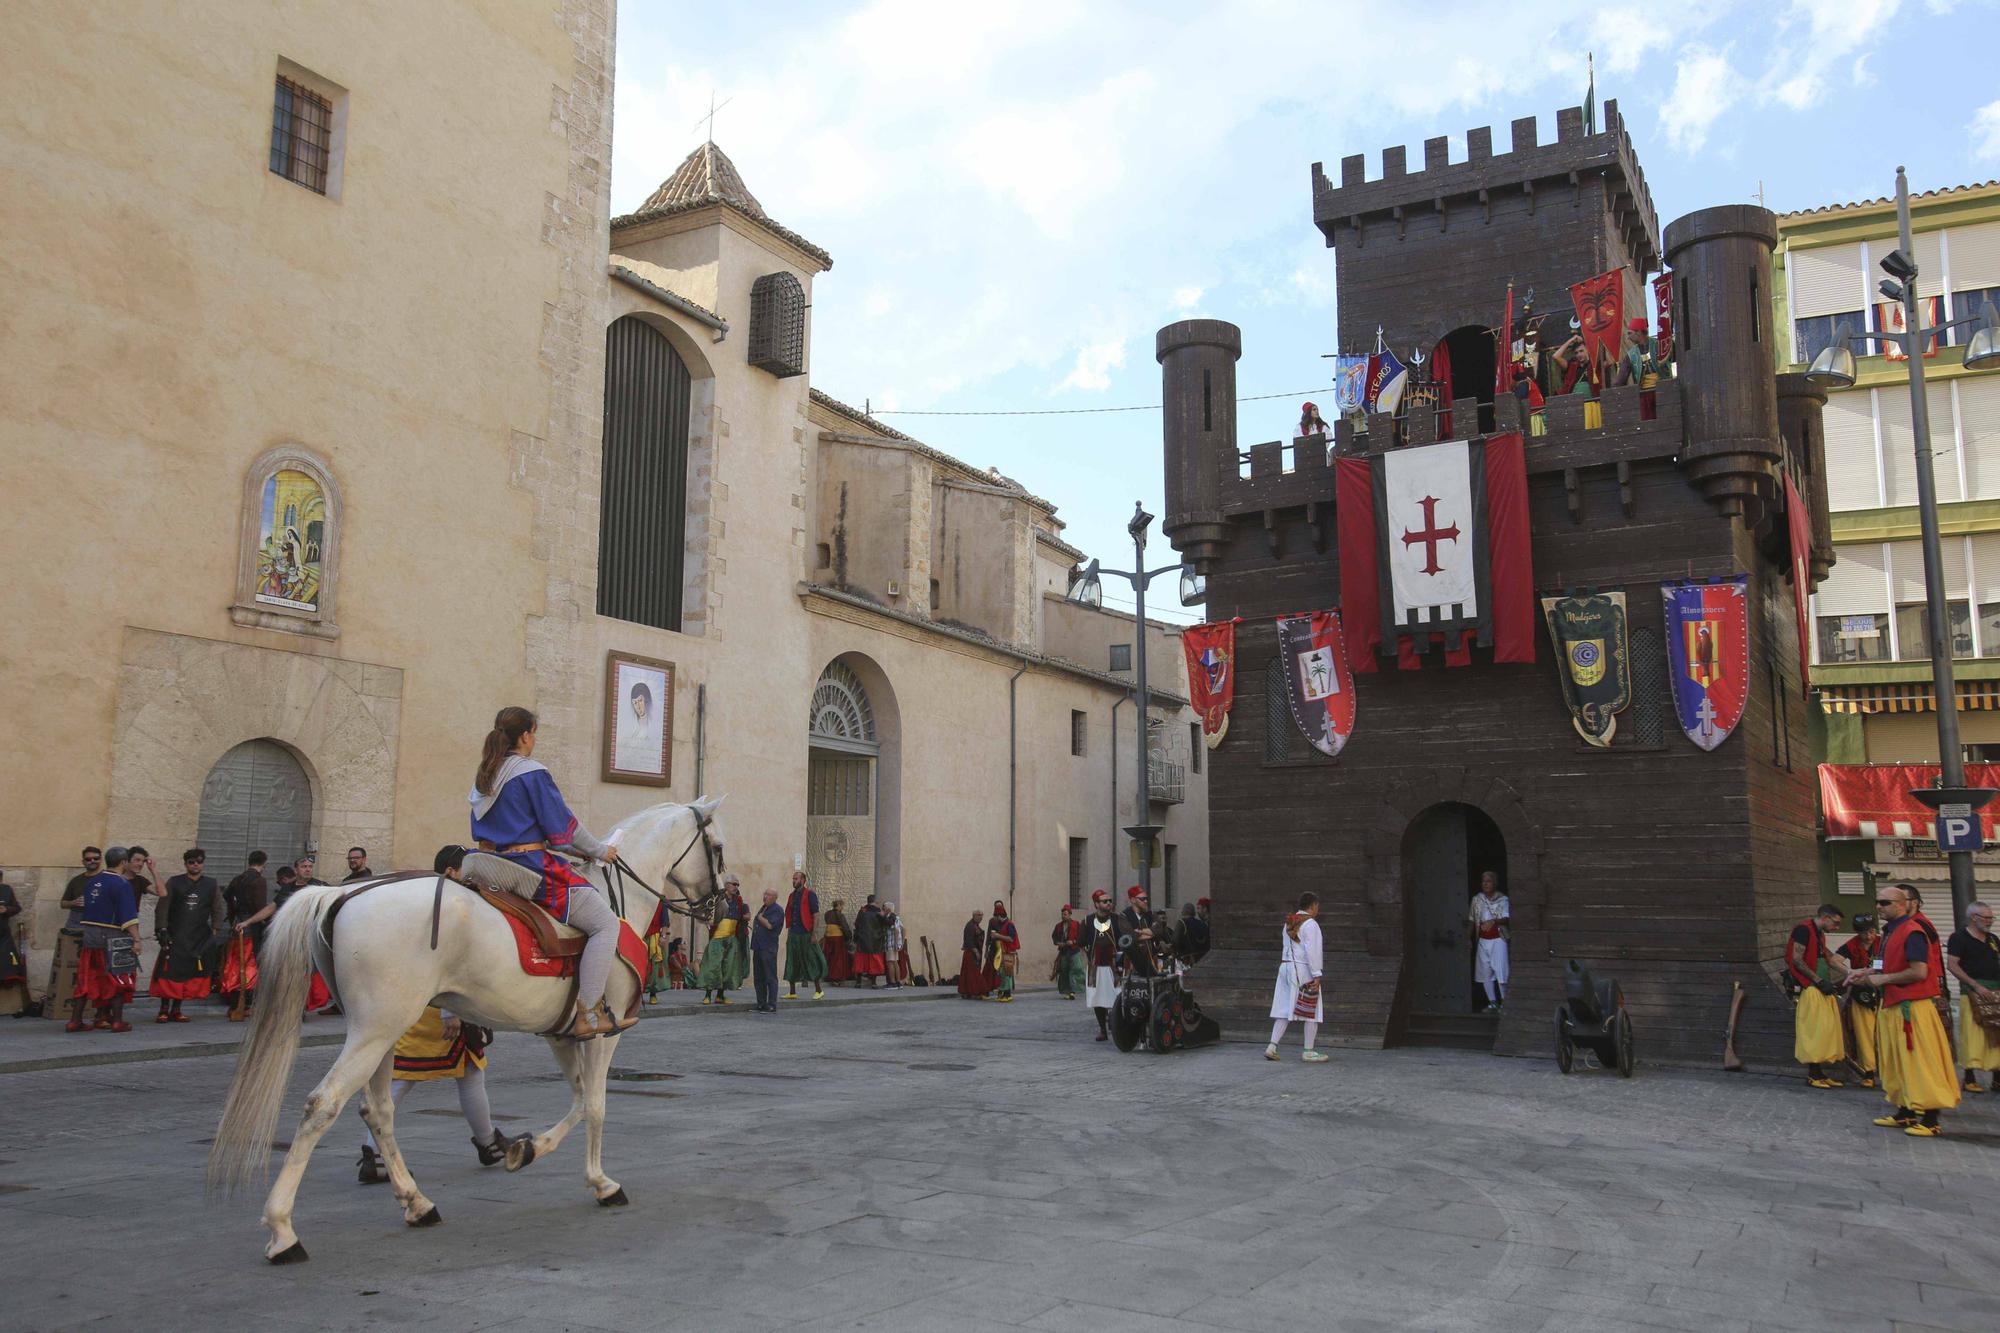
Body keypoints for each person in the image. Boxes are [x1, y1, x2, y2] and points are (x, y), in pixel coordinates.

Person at [468, 705, 628, 1040]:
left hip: (488, 864)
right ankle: (589, 1012)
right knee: (605, 923)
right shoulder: (531, 772)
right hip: (527, 869)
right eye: (534, 733)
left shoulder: (486, 774)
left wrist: (577, 849)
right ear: (526, 736)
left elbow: (537, 834)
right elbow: (565, 828)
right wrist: (600, 850)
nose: (534, 740)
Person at [358, 843, 511, 1182]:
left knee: (467, 1071)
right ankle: (375, 1152)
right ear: (451, 872)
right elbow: (443, 958)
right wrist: (449, 1013)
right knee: (403, 1079)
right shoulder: (447, 904)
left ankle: (488, 1143)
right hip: (438, 1006)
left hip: (433, 1003)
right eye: (467, 869)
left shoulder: (437, 900)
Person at [1847, 883, 1959, 1136]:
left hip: (1912, 1008)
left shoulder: (1914, 931)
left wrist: (1883, 979)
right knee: (1896, 1062)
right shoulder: (1889, 931)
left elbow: (1919, 971)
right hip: (1893, 1006)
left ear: (1903, 905)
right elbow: (1883, 962)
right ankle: (1905, 1112)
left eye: (1885, 902)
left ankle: (1931, 1119)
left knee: (1920, 1062)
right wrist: (1865, 972)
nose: (1879, 906)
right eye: (1878, 901)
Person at [72, 846, 142, 1032]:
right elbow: (128, 917)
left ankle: (75, 1020)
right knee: (118, 978)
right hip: (113, 937)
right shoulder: (121, 884)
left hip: (90, 936)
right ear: (123, 862)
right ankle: (117, 1021)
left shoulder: (93, 882)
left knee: (87, 978)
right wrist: (137, 940)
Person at [152, 848, 225, 1023]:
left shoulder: (211, 884)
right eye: (191, 862)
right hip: (175, 933)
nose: (195, 865)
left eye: (199, 862)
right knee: (169, 972)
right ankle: (163, 1009)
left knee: (187, 973)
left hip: (198, 936)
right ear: (185, 864)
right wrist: (161, 929)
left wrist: (215, 930)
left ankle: (177, 1009)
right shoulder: (174, 882)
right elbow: (163, 906)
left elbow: (217, 908)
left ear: (203, 864)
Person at [1786, 904, 1850, 1088]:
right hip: (1811, 987)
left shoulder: (1819, 933)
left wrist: (1850, 973)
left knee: (1825, 1031)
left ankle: (1819, 1073)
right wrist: (1817, 980)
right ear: (1826, 917)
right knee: (1815, 1032)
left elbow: (1828, 958)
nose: (1837, 928)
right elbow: (1796, 959)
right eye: (1836, 923)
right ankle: (1813, 1075)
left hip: (1820, 986)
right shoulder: (1803, 930)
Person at [1944, 900, 2000, 1094]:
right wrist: (1975, 985)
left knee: (1995, 1033)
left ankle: (1997, 1078)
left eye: (1991, 918)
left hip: (1995, 991)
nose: (1989, 921)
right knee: (1972, 1034)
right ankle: (1969, 1077)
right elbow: (1952, 965)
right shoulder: (1959, 938)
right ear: (1974, 918)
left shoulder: (1993, 939)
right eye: (1986, 918)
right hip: (1973, 991)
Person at [1268, 891, 1327, 1063]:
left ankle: (1272, 1046)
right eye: (1317, 906)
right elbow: (1313, 951)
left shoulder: (1289, 922)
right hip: (1301, 969)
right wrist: (1317, 974)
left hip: (1285, 967)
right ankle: (1308, 1050)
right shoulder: (1310, 924)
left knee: (1283, 1008)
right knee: (1311, 1008)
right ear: (1313, 905)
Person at [49, 847, 101, 1014]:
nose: (92, 861)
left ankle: (94, 1006)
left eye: (95, 858)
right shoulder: (76, 881)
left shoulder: (106, 879)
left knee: (95, 966)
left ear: (101, 859)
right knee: (74, 965)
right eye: (88, 859)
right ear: (83, 862)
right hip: (76, 923)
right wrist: (74, 903)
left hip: (98, 924)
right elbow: (63, 903)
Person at [222, 851, 271, 1021]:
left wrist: (233, 915)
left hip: (237, 926)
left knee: (235, 966)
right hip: (251, 928)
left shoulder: (238, 879)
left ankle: (235, 1004)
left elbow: (227, 895)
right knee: (249, 967)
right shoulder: (258, 881)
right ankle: (245, 1004)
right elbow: (260, 906)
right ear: (264, 863)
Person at [1839, 913, 1882, 1089]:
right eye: (1864, 933)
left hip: (1882, 992)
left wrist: (1868, 971)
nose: (1869, 936)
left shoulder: (1883, 941)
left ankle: (1888, 1071)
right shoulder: (1852, 944)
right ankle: (1869, 1072)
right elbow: (1835, 960)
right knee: (1864, 1035)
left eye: (1872, 931)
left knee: (1883, 1034)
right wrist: (1850, 972)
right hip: (1860, 995)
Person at [698, 876, 748, 1004]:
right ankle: (707, 995)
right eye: (734, 884)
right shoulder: (717, 898)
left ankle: (720, 995)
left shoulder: (739, 901)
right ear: (726, 885)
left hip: (731, 938)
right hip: (717, 937)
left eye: (738, 885)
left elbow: (745, 915)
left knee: (727, 967)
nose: (736, 887)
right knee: (713, 966)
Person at [1468, 871, 1509, 1012]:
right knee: (1485, 972)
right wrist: (1468, 938)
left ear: (1495, 883)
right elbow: (1472, 920)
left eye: (1489, 881)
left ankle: (1505, 1002)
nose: (1485, 884)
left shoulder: (1503, 899)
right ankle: (1493, 1002)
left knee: (1501, 971)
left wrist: (1494, 921)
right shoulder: (1477, 900)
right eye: (1483, 881)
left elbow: (1506, 918)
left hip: (1498, 939)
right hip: (1483, 940)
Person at [783, 871, 826, 1000]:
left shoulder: (810, 894)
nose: (793, 881)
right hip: (794, 933)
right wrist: (789, 931)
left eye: (796, 878)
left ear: (803, 880)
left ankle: (819, 990)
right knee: (792, 960)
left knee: (811, 959)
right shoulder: (792, 896)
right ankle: (792, 992)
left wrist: (814, 933)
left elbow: (816, 915)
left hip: (806, 933)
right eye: (793, 878)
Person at [1084, 889, 1121, 1039]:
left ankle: (1117, 1026)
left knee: (1117, 996)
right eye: (1105, 901)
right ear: (1096, 904)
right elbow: (1081, 942)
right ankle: (1102, 1029)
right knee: (1097, 999)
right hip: (1096, 967)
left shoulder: (1117, 919)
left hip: (1114, 966)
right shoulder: (1087, 921)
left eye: (1110, 901)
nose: (1109, 904)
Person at [750, 888, 784, 1012]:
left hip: (768, 947)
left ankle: (772, 1004)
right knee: (759, 977)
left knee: (770, 977)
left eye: (768, 895)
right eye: (764, 894)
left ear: (775, 897)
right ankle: (761, 1002)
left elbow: (770, 925)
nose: (765, 897)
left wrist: (759, 918)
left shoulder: (777, 910)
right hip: (758, 946)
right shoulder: (763, 908)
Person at [0, 870, 26, 1016]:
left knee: (7, 968)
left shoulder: (6, 890)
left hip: (2, 936)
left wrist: (6, 909)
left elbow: (16, 908)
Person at [852, 896, 888, 988]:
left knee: (860, 962)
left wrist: (856, 937)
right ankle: (873, 983)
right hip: (875, 940)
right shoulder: (878, 912)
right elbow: (886, 924)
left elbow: (857, 924)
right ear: (875, 902)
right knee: (874, 962)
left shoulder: (862, 911)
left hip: (862, 939)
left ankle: (858, 982)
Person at [987, 902, 1019, 1002]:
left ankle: (1007, 994)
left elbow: (1011, 939)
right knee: (1002, 973)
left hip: (1008, 952)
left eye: (995, 917)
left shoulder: (1009, 924)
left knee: (1007, 973)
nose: (995, 919)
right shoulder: (1003, 924)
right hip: (1002, 952)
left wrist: (997, 936)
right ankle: (1003, 993)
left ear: (999, 916)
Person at [1051, 904, 1085, 1000]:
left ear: (1070, 914)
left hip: (1074, 951)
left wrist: (1073, 941)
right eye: (1062, 914)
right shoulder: (1058, 926)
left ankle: (1074, 990)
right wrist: (1058, 943)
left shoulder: (1076, 924)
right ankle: (1067, 991)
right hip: (1064, 952)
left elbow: (1081, 937)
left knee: (1075, 970)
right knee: (1064, 971)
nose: (1063, 916)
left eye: (1065, 914)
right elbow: (1054, 937)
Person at [957, 908, 991, 999]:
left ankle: (968, 991)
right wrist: (976, 952)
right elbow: (968, 940)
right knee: (973, 973)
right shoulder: (970, 926)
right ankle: (979, 991)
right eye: (978, 915)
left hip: (974, 953)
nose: (980, 917)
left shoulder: (975, 925)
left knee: (970, 973)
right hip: (970, 953)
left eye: (981, 915)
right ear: (974, 916)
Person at [823, 896, 854, 985]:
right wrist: (849, 936)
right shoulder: (840, 915)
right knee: (838, 957)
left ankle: (827, 975)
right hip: (837, 937)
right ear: (839, 905)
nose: (842, 908)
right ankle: (836, 977)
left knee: (829, 956)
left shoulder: (827, 914)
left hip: (828, 937)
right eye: (842, 906)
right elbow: (844, 926)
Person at [882, 903, 907, 989]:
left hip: (891, 944)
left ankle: (892, 983)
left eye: (884, 908)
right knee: (895, 962)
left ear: (888, 909)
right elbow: (903, 929)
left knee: (890, 963)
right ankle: (898, 982)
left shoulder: (890, 918)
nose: (883, 910)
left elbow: (896, 930)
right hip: (896, 944)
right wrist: (902, 943)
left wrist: (896, 943)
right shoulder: (897, 917)